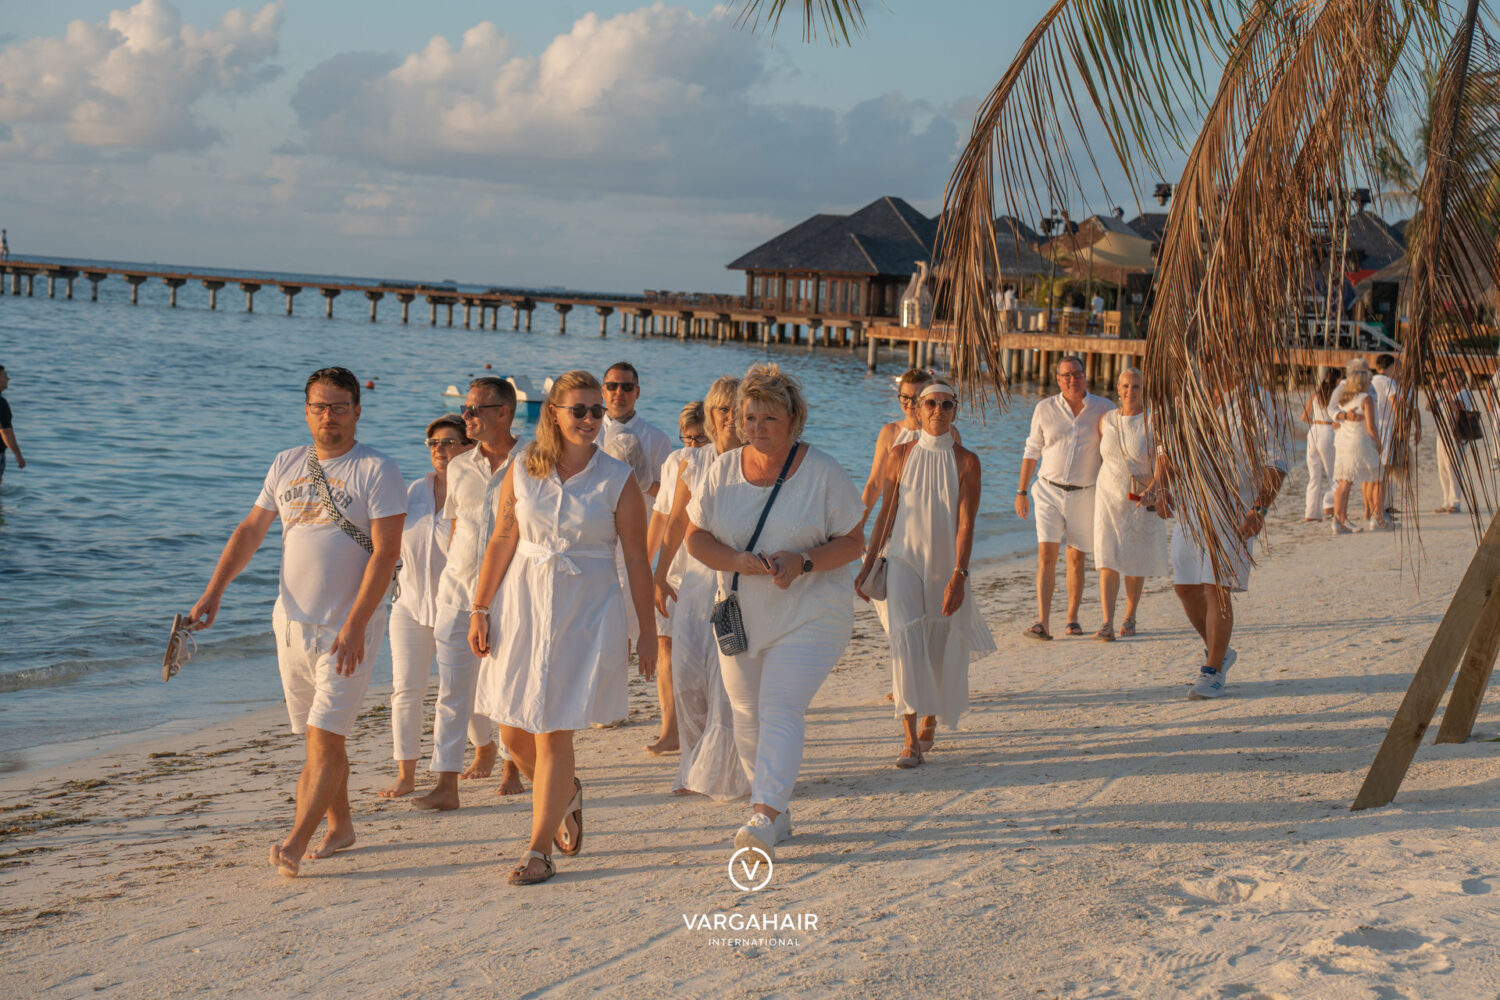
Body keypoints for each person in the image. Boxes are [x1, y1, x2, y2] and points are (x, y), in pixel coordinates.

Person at [189, 367, 405, 877]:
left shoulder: (377, 469)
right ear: (306, 411)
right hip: (290, 624)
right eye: (319, 407)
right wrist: (214, 591)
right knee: (317, 737)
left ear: (357, 411)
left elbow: (386, 554)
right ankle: (341, 827)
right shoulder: (285, 463)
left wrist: (357, 622)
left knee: (325, 738)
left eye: (338, 407)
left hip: (347, 626)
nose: (328, 416)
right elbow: (251, 530)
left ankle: (295, 840)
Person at [469, 370, 657, 885]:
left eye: (598, 410)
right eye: (580, 410)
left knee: (554, 729)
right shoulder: (523, 466)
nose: (592, 419)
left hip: (586, 610)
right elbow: (503, 537)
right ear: (554, 413)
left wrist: (646, 630)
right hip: (522, 603)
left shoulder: (618, 478)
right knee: (512, 730)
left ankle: (537, 851)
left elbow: (636, 560)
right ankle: (566, 791)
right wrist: (479, 607)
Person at [686, 364, 864, 859]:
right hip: (741, 613)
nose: (758, 427)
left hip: (812, 612)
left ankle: (763, 813)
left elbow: (854, 541)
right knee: (746, 713)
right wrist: (737, 561)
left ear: (792, 420)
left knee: (780, 706)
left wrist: (802, 561)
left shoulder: (822, 472)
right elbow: (695, 537)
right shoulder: (723, 470)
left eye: (769, 417)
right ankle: (777, 811)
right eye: (749, 417)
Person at [856, 381, 993, 768]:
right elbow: (886, 515)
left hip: (944, 564)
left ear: (955, 411)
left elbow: (966, 525)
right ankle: (909, 739)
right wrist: (867, 566)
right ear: (917, 409)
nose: (938, 410)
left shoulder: (967, 462)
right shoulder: (899, 455)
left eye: (947, 404)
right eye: (931, 403)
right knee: (903, 641)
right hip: (903, 559)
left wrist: (959, 575)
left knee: (936, 643)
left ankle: (931, 717)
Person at [413, 377, 519, 810]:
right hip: (457, 594)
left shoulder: (532, 462)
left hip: (512, 595)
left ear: (503, 412)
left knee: (509, 687)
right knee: (452, 692)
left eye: (475, 409)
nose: (467, 416)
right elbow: (457, 527)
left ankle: (513, 766)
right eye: (465, 409)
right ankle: (446, 785)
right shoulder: (459, 466)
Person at [1162, 369, 1288, 700]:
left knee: (1216, 587)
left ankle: (1213, 671)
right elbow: (1169, 450)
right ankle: (1220, 651)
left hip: (1235, 508)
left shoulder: (1256, 400)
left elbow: (1277, 461)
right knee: (1185, 587)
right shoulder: (1191, 395)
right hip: (1192, 506)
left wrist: (1259, 508)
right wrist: (1160, 487)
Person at [654, 376, 752, 800]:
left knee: (728, 679)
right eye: (721, 409)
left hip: (740, 583)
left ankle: (727, 772)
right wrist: (658, 574)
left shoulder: (757, 460)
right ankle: (692, 765)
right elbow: (676, 520)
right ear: (711, 415)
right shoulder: (693, 461)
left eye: (736, 408)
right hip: (694, 582)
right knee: (688, 672)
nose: (729, 417)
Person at [380, 415, 471, 798]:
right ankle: (406, 775)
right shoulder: (415, 491)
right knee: (405, 690)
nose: (440, 450)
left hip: (460, 606)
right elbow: (386, 543)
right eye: (433, 443)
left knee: (460, 692)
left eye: (449, 442)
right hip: (409, 604)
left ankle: (484, 752)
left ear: (469, 446)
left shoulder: (477, 491)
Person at [1016, 355, 1115, 639]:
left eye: (1077, 373)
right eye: (1066, 375)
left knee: (1076, 558)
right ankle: (1042, 622)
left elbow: (1116, 448)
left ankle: (1072, 619)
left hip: (1085, 493)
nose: (1073, 379)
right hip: (1048, 490)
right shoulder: (1044, 408)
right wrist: (1021, 491)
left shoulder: (1104, 409)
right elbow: (1032, 450)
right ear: (1058, 379)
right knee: (1046, 555)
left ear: (1085, 375)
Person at [642, 401, 710, 756]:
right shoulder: (674, 461)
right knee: (665, 644)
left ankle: (707, 724)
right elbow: (661, 515)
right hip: (674, 565)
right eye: (687, 439)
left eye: (700, 439)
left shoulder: (722, 461)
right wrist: (645, 564)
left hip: (708, 566)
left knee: (705, 649)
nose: (692, 447)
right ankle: (671, 729)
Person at [1091, 367, 1168, 639]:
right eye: (1125, 386)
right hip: (1107, 496)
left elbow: (1164, 458)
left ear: (1143, 390)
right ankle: (1107, 622)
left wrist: (1155, 487)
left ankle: (1130, 616)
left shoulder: (1153, 420)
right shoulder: (1106, 420)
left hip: (1138, 498)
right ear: (1118, 389)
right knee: (1107, 556)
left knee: (1134, 558)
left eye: (1136, 386)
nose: (1130, 391)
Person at [601, 361, 672, 497]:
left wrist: (645, 484)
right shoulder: (589, 433)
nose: (619, 392)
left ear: (637, 392)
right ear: (603, 392)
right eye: (612, 386)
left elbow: (669, 495)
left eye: (627, 387)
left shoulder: (658, 438)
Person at [1331, 370, 1382, 533]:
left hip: (1344, 444)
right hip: (1361, 443)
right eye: (1367, 381)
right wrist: (1379, 443)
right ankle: (1377, 518)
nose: (1370, 384)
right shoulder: (1366, 399)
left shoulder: (1343, 400)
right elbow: (1371, 427)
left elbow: (1335, 421)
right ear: (1362, 383)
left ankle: (1337, 520)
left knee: (1344, 482)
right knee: (1379, 477)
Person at [1432, 370, 1479, 514]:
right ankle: (1446, 500)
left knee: (1453, 467)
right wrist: (1434, 391)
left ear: (1462, 380)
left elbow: (1456, 407)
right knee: (1443, 469)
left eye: (1454, 378)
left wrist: (1446, 391)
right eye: (1449, 377)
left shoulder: (1465, 393)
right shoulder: (1446, 394)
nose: (1451, 380)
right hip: (1442, 434)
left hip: (1456, 435)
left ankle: (1455, 502)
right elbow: (1429, 407)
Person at [1300, 368, 1340, 522]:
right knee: (1334, 474)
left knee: (1314, 476)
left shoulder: (1316, 395)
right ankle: (1329, 505)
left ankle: (1310, 513)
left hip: (1313, 432)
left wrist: (1316, 422)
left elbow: (1304, 417)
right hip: (1328, 432)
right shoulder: (1336, 396)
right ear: (1337, 381)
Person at [0, 365, 24, 483]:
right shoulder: (1, 404)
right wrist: (18, 455)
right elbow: (6, 432)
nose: (8, 379)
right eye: (5, 376)